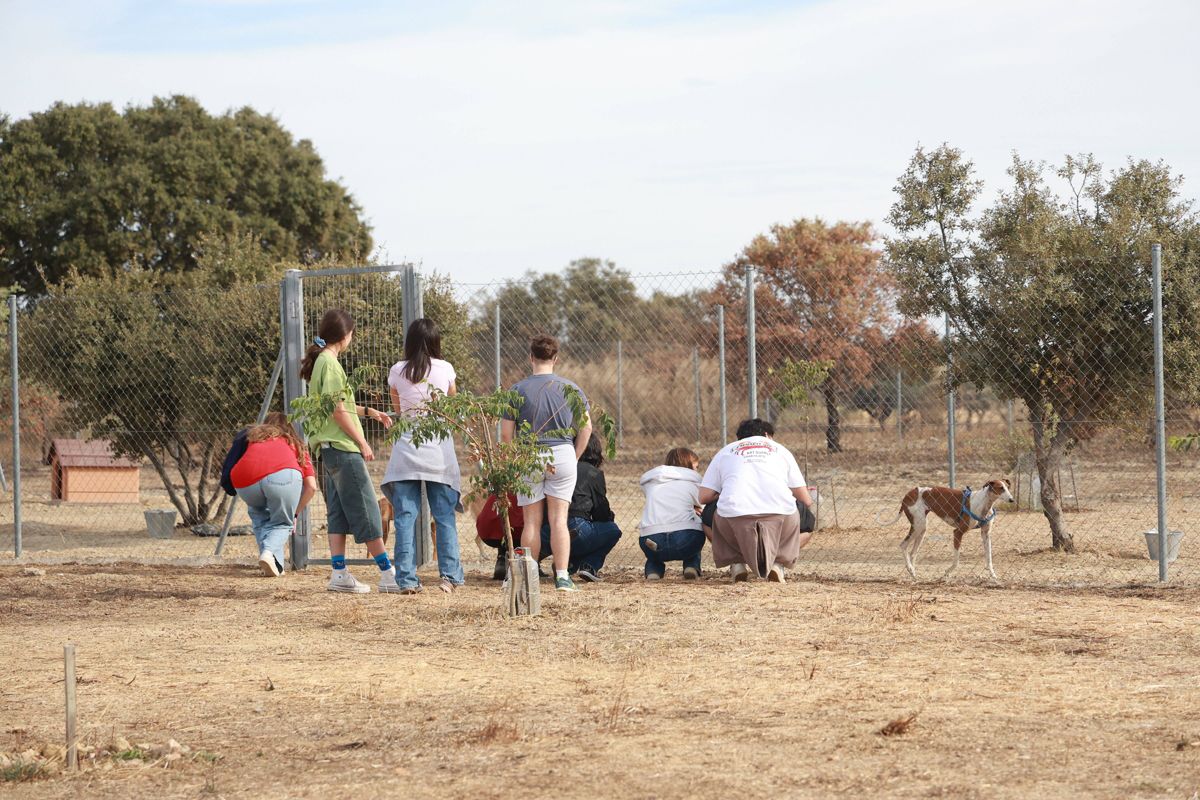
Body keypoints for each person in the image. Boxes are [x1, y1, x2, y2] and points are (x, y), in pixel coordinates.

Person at [300, 308, 396, 594]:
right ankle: (388, 574)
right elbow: (338, 411)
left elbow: (336, 406)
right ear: (345, 336)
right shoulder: (330, 363)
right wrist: (362, 442)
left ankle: (339, 573)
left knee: (339, 512)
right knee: (366, 508)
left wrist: (369, 412)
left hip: (328, 450)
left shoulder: (322, 362)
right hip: (343, 449)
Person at [500, 334, 592, 593]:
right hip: (562, 454)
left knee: (531, 522)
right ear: (556, 359)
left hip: (528, 456)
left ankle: (528, 577)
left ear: (531, 357)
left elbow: (506, 435)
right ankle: (562, 577)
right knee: (559, 520)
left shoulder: (517, 390)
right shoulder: (571, 388)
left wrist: (512, 461)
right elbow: (586, 428)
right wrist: (573, 456)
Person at [381, 318, 464, 594]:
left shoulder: (396, 370)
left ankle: (406, 580)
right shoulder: (446, 369)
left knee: (405, 517)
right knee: (444, 516)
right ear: (436, 341)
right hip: (438, 451)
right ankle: (450, 577)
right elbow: (453, 408)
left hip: (406, 451)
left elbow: (399, 410)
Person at [698, 418, 816, 583]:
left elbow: (703, 497)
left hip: (733, 519)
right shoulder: (780, 450)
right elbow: (806, 500)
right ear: (767, 435)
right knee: (808, 522)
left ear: (739, 438)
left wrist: (727, 490)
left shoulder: (726, 451)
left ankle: (736, 562)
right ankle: (778, 563)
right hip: (781, 518)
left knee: (706, 517)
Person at [227, 412, 318, 577]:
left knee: (260, 518)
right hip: (280, 476)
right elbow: (311, 487)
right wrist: (294, 514)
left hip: (243, 480)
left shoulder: (253, 439)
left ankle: (276, 566)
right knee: (282, 523)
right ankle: (268, 553)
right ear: (290, 427)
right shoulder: (295, 443)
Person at [537, 432, 622, 582]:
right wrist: (609, 516)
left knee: (574, 534)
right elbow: (600, 512)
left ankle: (567, 563)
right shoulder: (593, 473)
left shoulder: (555, 467)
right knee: (612, 531)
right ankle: (588, 566)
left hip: (546, 530)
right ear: (596, 452)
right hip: (577, 525)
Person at [638, 447, 706, 580]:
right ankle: (691, 566)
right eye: (696, 467)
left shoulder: (652, 482)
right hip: (685, 540)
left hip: (651, 541)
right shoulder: (691, 482)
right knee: (697, 522)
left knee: (654, 554)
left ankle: (653, 572)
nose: (697, 470)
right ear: (688, 466)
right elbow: (703, 506)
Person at [475, 493, 524, 580]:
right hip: (515, 534)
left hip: (486, 531)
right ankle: (530, 563)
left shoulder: (500, 484)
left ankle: (501, 559)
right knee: (533, 526)